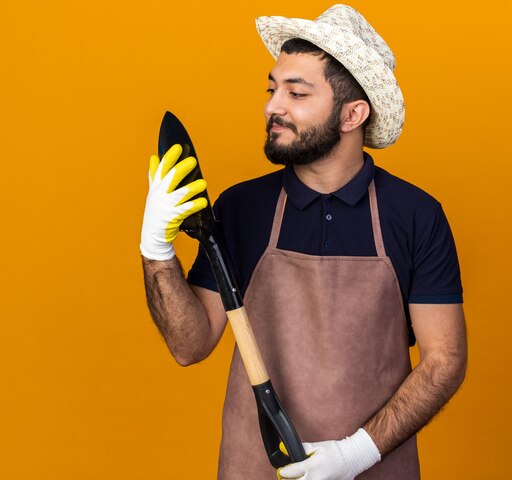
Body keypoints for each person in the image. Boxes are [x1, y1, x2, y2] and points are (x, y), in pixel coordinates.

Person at [140, 4, 467, 479]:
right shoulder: (241, 209)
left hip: (375, 467)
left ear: (352, 113)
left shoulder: (414, 215)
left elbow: (445, 360)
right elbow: (189, 345)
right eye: (273, 89)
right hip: (257, 468)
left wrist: (354, 454)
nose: (273, 106)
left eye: (296, 93)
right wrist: (156, 252)